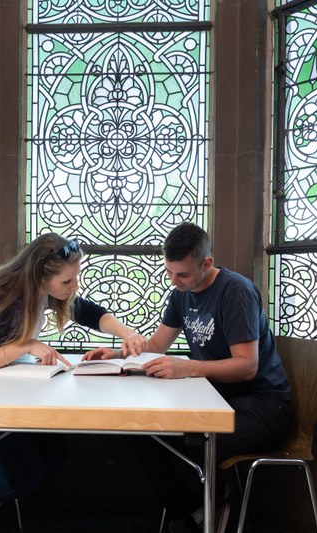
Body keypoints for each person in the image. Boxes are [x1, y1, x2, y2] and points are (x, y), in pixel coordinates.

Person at [0, 233, 148, 532]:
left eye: (75, 278)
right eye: (67, 282)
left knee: (54, 451)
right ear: (41, 276)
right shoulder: (4, 303)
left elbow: (87, 311)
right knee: (22, 472)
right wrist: (25, 346)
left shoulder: (41, 290)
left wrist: (128, 334)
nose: (74, 287)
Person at [84, 222, 292, 532]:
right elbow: (156, 347)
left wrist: (189, 366)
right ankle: (197, 510)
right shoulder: (181, 294)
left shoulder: (235, 292)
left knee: (192, 442)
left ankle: (210, 507)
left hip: (264, 405)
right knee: (143, 435)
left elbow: (246, 366)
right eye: (169, 272)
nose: (175, 280)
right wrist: (117, 353)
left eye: (183, 274)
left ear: (207, 263)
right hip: (217, 398)